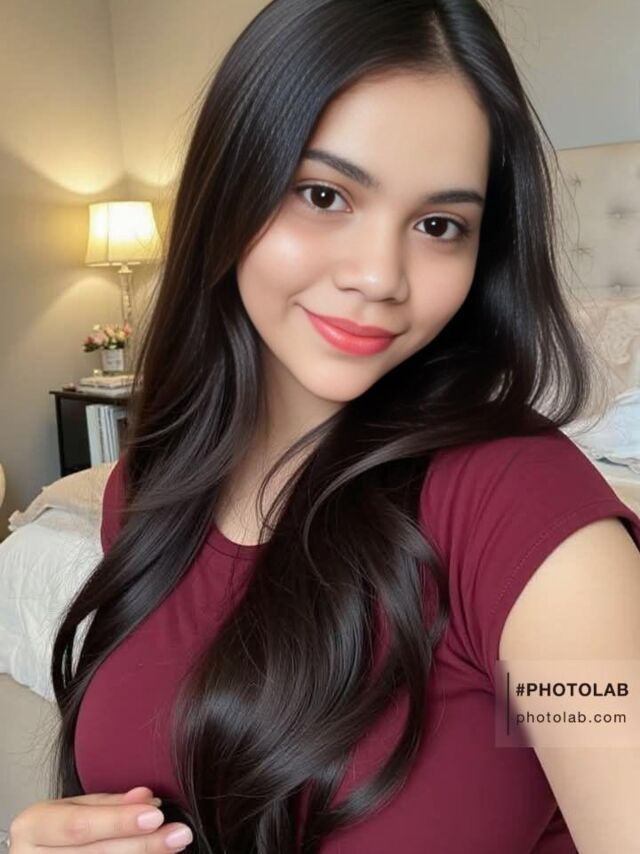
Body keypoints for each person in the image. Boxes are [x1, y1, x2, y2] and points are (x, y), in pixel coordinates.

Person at [10, 0, 640, 852]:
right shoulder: (149, 486)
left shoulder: (526, 516)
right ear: (229, 191)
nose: (380, 276)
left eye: (439, 225)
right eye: (323, 194)